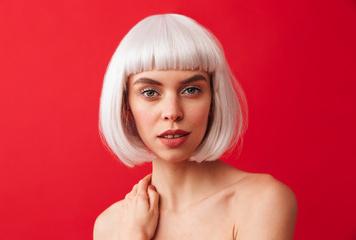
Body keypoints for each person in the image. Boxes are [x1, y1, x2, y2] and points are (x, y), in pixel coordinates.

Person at [94, 14, 297, 240]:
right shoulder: (109, 226)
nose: (172, 111)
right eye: (150, 93)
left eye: (191, 90)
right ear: (126, 107)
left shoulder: (262, 200)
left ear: (213, 100)